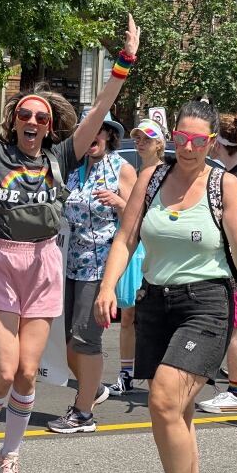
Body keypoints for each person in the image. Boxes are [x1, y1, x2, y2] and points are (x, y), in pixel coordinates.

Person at [0, 14, 139, 473]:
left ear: (50, 128)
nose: (32, 122)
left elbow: (97, 114)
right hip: (0, 263)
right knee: (3, 371)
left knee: (28, 373)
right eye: (25, 115)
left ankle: (10, 457)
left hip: (45, 264)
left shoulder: (60, 158)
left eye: (40, 118)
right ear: (13, 122)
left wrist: (124, 62)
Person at [95, 99, 237, 473]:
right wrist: (106, 287)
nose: (189, 146)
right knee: (181, 409)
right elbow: (125, 237)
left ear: (211, 141)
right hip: (157, 301)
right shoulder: (152, 177)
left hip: (206, 304)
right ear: (172, 135)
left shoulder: (225, 186)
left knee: (162, 401)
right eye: (181, 137)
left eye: (198, 140)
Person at [46, 111, 135, 433]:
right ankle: (93, 387)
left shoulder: (121, 169)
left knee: (84, 340)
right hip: (66, 264)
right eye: (86, 131)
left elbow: (139, 219)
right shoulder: (72, 170)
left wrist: (119, 203)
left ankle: (83, 414)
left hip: (99, 268)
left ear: (109, 136)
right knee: (65, 341)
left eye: (98, 131)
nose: (92, 137)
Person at [197, 112, 237, 414]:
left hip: (236, 265)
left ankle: (236, 392)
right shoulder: (236, 173)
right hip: (230, 262)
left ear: (219, 143)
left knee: (236, 328)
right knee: (230, 327)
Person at [108, 118, 165, 396]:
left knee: (154, 315)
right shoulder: (136, 171)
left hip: (155, 249)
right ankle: (126, 373)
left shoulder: (166, 173)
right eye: (138, 138)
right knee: (128, 314)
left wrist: (120, 202)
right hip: (133, 247)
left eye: (146, 138)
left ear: (160, 144)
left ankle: (158, 372)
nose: (140, 142)